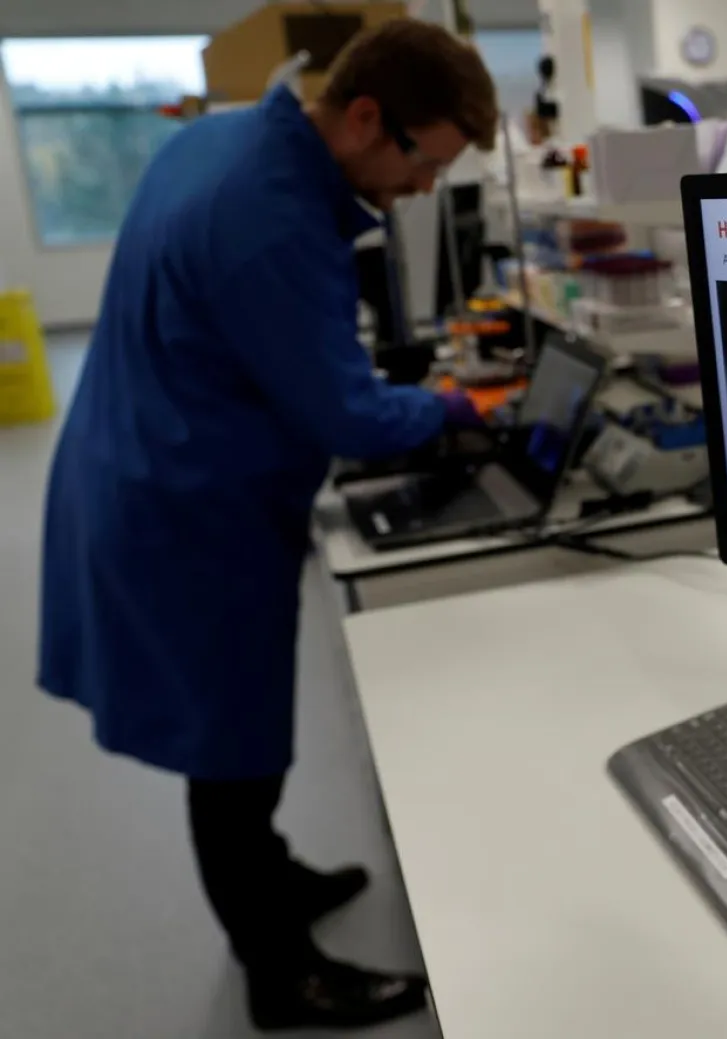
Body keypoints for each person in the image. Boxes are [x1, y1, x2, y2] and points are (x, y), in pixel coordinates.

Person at [37, 21, 497, 1032]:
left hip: (152, 458)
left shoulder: (231, 136)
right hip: (186, 505)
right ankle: (280, 971)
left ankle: (274, 875)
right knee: (231, 747)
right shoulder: (276, 212)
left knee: (246, 731)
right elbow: (346, 417)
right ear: (367, 116)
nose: (423, 190)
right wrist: (460, 408)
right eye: (422, 162)